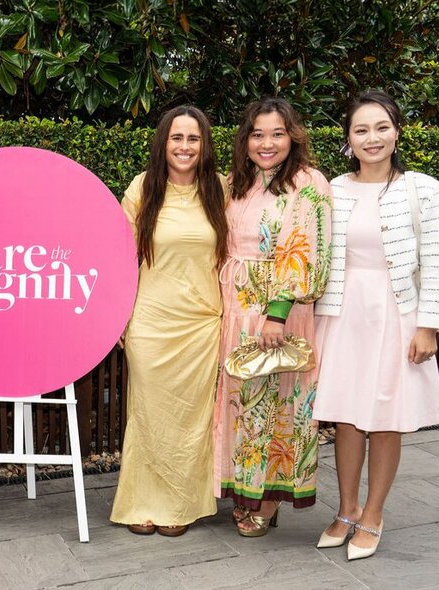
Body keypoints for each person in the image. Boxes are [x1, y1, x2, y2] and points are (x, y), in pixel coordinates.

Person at [313, 90, 439, 560]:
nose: (372, 138)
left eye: (381, 127)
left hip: (396, 315)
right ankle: (346, 509)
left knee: (387, 417)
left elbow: (437, 260)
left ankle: (373, 513)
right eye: (361, 130)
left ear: (396, 132)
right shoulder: (334, 188)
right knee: (347, 415)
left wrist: (428, 326)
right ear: (348, 139)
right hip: (343, 314)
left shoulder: (422, 188)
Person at [214, 97, 332, 537]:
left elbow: (306, 250)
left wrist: (276, 315)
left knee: (276, 403)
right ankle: (243, 492)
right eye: (257, 134)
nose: (267, 144)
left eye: (277, 134)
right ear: (245, 140)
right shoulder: (235, 182)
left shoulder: (308, 182)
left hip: (278, 311)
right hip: (232, 307)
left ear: (293, 137)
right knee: (240, 404)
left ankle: (267, 500)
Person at [110, 106, 229, 536]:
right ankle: (142, 502)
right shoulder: (142, 188)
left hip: (201, 325)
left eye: (193, 138)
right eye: (177, 138)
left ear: (204, 145)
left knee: (191, 419)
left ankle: (179, 505)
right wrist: (118, 318)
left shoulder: (220, 189)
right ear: (163, 143)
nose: (184, 146)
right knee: (146, 414)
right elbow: (119, 256)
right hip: (149, 322)